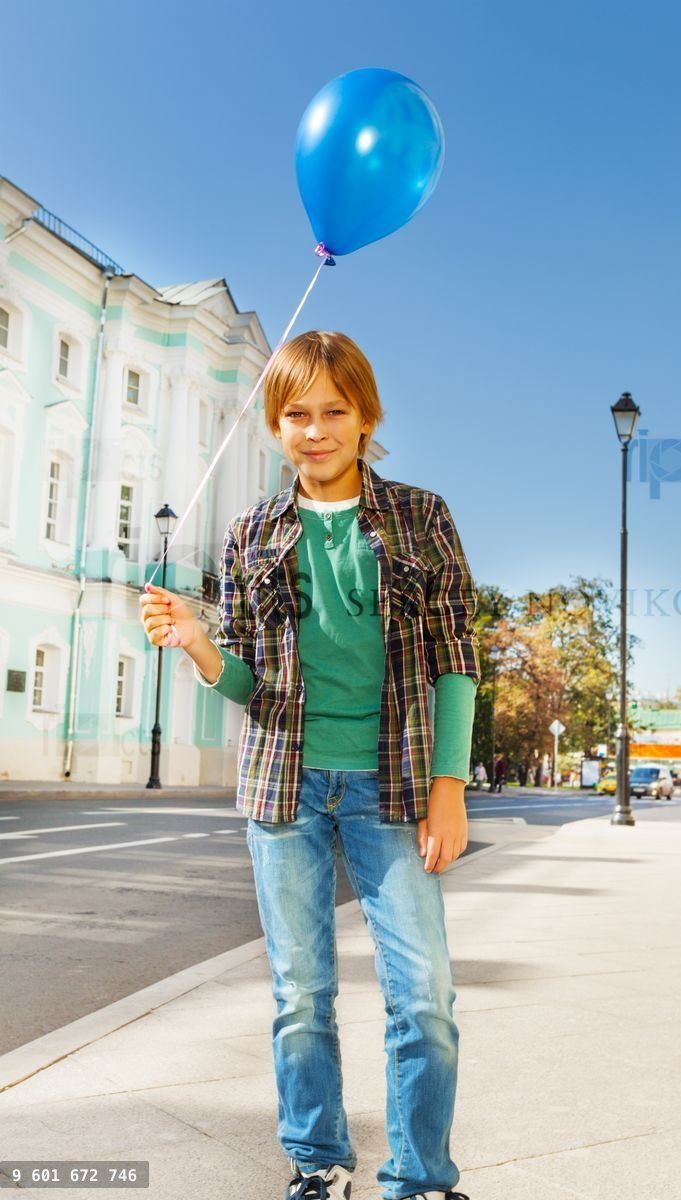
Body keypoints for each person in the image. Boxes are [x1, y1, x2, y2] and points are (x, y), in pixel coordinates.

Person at [139, 331, 479, 1200]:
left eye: (335, 411)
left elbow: (454, 658)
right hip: (283, 786)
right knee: (301, 996)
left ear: (367, 419)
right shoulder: (252, 532)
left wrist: (449, 789)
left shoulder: (421, 516)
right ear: (273, 425)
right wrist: (198, 643)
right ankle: (317, 1163)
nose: (316, 429)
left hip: (393, 786)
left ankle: (420, 1177)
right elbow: (253, 684)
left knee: (426, 997)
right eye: (298, 414)